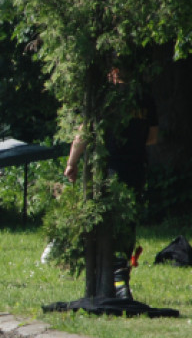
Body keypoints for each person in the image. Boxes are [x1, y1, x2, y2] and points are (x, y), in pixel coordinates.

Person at [64, 64, 158, 297]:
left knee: (106, 225)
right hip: (136, 168)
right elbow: (152, 138)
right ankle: (121, 279)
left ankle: (107, 278)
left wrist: (71, 163)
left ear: (114, 71)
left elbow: (83, 132)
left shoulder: (104, 98)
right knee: (128, 225)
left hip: (109, 168)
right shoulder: (144, 97)